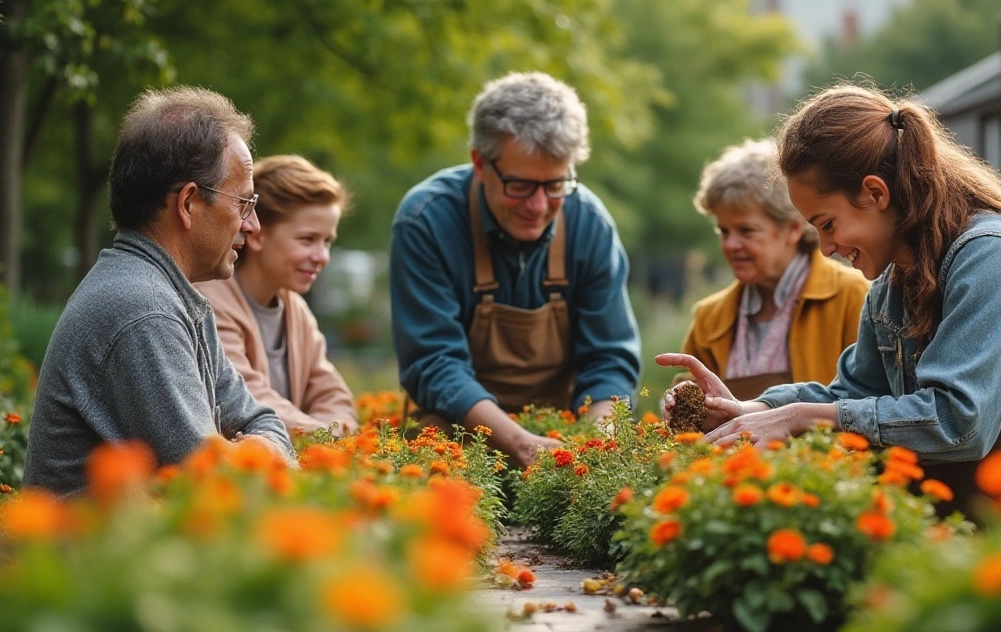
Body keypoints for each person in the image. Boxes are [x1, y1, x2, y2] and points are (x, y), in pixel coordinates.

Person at [660, 84, 1001, 521]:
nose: (825, 247)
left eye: (827, 224)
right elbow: (852, 394)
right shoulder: (890, 287)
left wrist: (797, 418)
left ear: (874, 193)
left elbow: (959, 423)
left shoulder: (994, 254)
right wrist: (750, 410)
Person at [25, 86, 293, 494]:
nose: (253, 226)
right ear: (187, 203)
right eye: (243, 203)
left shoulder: (162, 292)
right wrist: (251, 454)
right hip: (92, 557)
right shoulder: (144, 310)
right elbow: (214, 485)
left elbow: (264, 421)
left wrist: (254, 448)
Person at [390, 72, 641, 467]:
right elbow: (434, 363)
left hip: (563, 428)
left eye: (556, 184)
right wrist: (520, 443)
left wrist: (598, 443)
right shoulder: (426, 220)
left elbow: (609, 358)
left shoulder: (589, 222)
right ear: (479, 162)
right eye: (521, 185)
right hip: (458, 434)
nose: (539, 206)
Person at [679, 139, 869, 400]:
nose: (731, 244)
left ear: (792, 229)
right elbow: (689, 414)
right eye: (724, 231)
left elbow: (872, 400)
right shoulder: (709, 318)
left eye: (746, 231)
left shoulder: (854, 297)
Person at [196, 155, 358, 435]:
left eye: (327, 241)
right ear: (257, 234)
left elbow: (333, 396)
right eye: (307, 239)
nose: (322, 257)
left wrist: (328, 435)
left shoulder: (296, 311)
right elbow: (246, 400)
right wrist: (327, 436)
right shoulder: (211, 305)